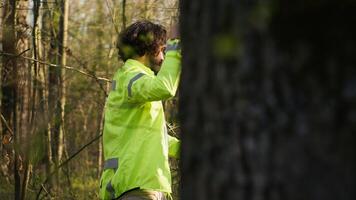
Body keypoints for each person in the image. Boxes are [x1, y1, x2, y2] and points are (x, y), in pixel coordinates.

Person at [99, 20, 181, 200]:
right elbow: (165, 87)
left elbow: (151, 136)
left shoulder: (136, 81)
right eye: (162, 50)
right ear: (149, 48)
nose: (163, 57)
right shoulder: (129, 77)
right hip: (135, 186)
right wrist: (176, 45)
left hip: (146, 185)